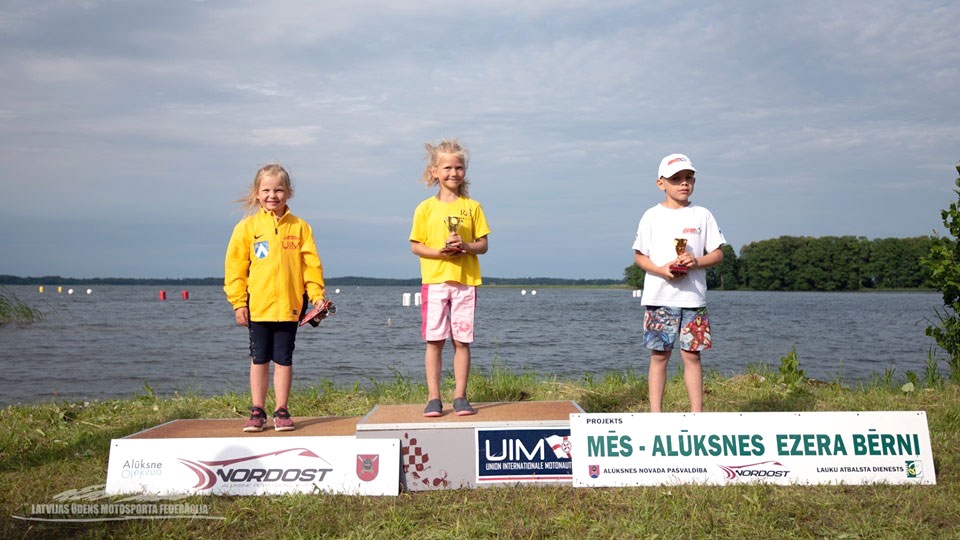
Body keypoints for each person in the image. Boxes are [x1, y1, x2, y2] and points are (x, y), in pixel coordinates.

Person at [224, 163, 326, 432]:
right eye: (266, 190)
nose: (273, 195)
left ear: (289, 192)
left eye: (279, 190)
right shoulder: (247, 228)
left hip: (291, 305)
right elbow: (235, 268)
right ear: (257, 193)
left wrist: (316, 296)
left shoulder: (300, 227)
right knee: (259, 358)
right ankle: (257, 410)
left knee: (283, 358)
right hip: (258, 305)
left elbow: (311, 266)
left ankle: (282, 410)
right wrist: (238, 302)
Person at [632, 153, 726, 413]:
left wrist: (696, 262)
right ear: (661, 183)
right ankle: (656, 414)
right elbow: (639, 256)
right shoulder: (651, 216)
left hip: (693, 299)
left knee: (692, 356)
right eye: (676, 179)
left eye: (688, 178)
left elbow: (718, 253)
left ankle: (697, 415)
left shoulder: (702, 215)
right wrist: (662, 270)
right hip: (659, 298)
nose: (683, 184)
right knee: (659, 356)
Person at [409, 138, 491, 417]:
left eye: (458, 168)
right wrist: (440, 253)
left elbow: (483, 244)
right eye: (447, 168)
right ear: (434, 171)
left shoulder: (473, 207)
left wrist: (465, 247)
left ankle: (460, 396)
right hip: (434, 281)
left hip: (466, 281)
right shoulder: (424, 208)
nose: (453, 173)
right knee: (435, 340)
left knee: (462, 340)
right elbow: (415, 245)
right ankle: (434, 397)